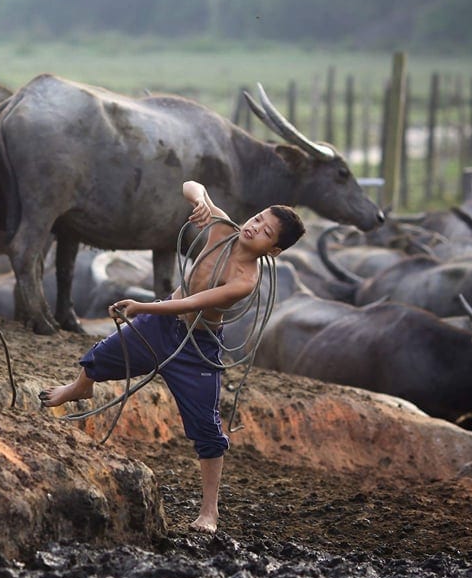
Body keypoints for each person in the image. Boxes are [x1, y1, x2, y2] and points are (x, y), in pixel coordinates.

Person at [41, 180, 305, 534]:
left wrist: (142, 306)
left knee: (207, 430)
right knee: (100, 355)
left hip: (197, 346)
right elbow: (191, 184)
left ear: (272, 250)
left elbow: (195, 302)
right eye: (257, 218)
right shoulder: (221, 229)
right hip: (160, 325)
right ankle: (79, 388)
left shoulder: (245, 280)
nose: (254, 227)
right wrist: (198, 200)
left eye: (265, 231)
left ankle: (209, 510)